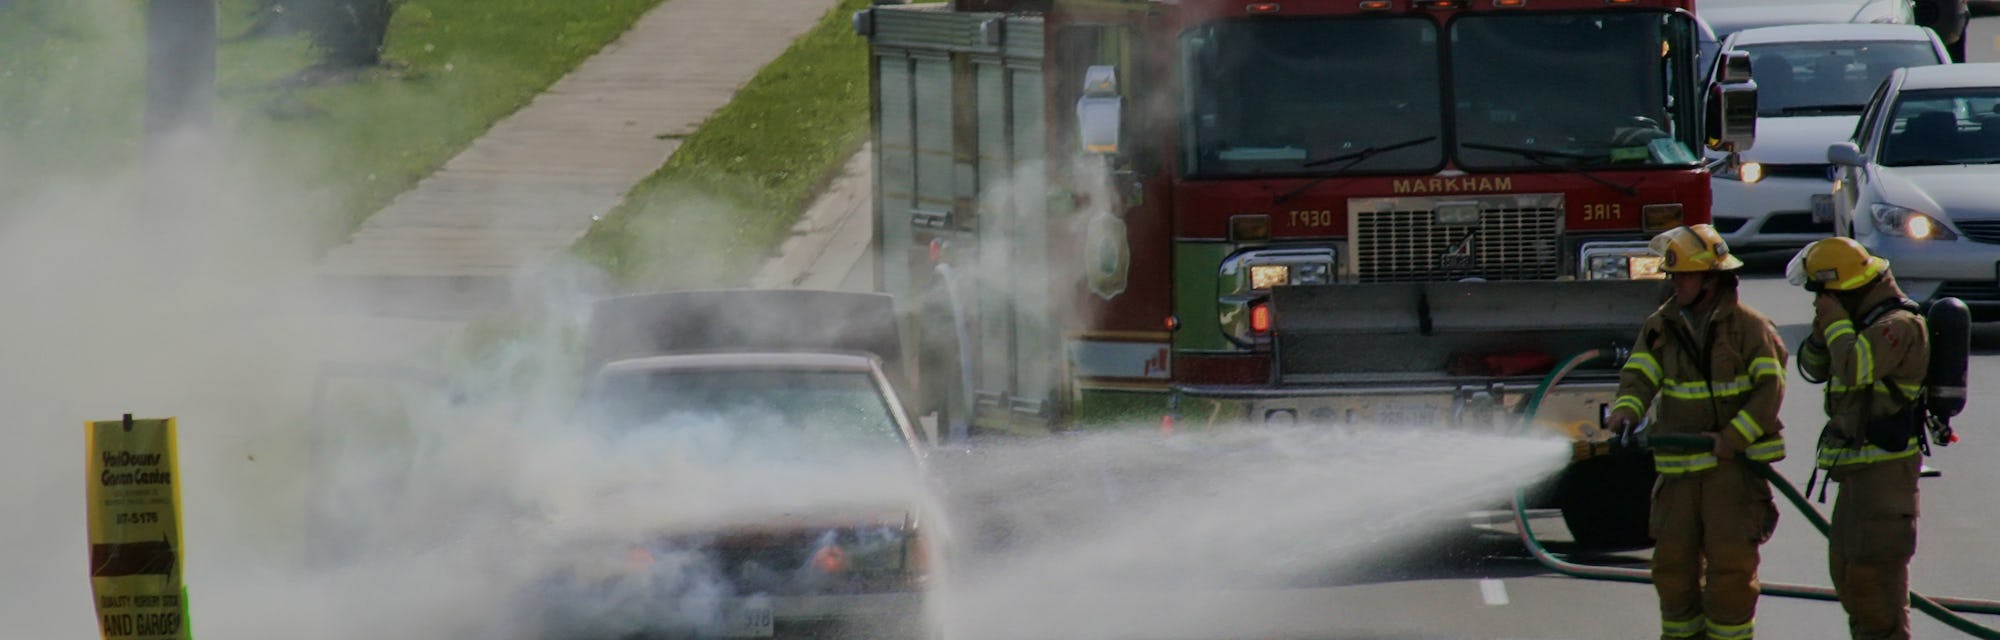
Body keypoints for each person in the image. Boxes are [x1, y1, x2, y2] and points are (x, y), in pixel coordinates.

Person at [1605, 223, 1788, 640]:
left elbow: (1770, 389)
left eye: (1685, 275)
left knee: (1730, 572)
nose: (1676, 284)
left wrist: (1733, 439)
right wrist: (1625, 411)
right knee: (1672, 570)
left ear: (1712, 278)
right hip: (1678, 472)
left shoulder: (1750, 328)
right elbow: (1639, 375)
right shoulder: (1660, 326)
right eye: (1673, 276)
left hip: (1731, 473)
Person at [1788, 237, 1929, 640]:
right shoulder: (1853, 324)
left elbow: (1853, 369)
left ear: (1844, 287)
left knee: (1874, 584)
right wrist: (1823, 330)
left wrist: (1835, 322)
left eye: (1822, 293)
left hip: (1885, 479)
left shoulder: (1898, 326)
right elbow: (1815, 368)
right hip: (1855, 478)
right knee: (1848, 575)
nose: (1818, 301)